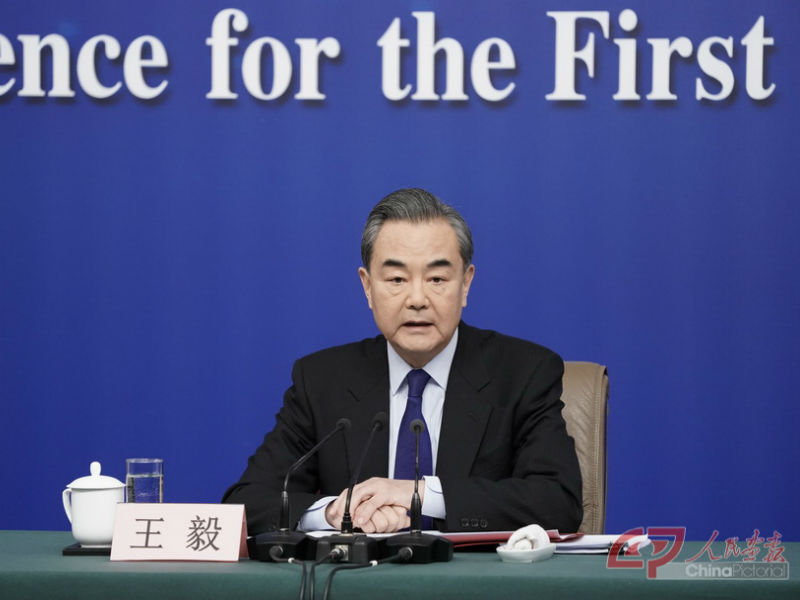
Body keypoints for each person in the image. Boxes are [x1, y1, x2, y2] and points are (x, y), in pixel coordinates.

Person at [223, 188, 582, 535]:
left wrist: (420, 494)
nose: (417, 299)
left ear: (466, 284)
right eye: (396, 279)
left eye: (437, 278)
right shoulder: (321, 380)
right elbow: (245, 504)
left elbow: (558, 503)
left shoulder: (523, 373)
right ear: (367, 287)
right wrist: (334, 512)